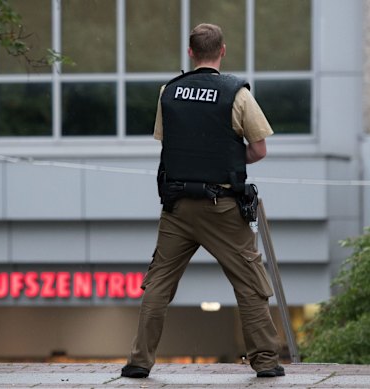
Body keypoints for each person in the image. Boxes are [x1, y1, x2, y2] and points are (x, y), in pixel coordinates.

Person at [121, 23, 285, 379]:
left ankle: (139, 361)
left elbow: (169, 141)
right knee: (250, 283)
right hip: (223, 206)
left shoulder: (169, 92)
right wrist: (225, 157)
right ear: (222, 51)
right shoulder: (236, 94)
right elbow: (259, 149)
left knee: (159, 283)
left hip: (177, 207)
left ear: (190, 52)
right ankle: (266, 362)